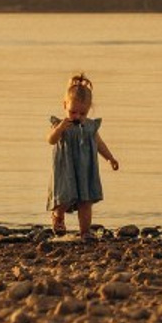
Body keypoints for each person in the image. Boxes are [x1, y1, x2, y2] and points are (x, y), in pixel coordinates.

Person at [47, 72, 118, 240]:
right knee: (63, 197)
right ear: (64, 105)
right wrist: (59, 129)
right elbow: (51, 140)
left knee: (86, 202)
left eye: (82, 113)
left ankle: (85, 231)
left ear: (88, 110)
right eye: (73, 112)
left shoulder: (90, 126)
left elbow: (99, 143)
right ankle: (58, 216)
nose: (77, 117)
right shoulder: (60, 125)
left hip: (85, 169)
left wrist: (110, 158)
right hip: (65, 169)